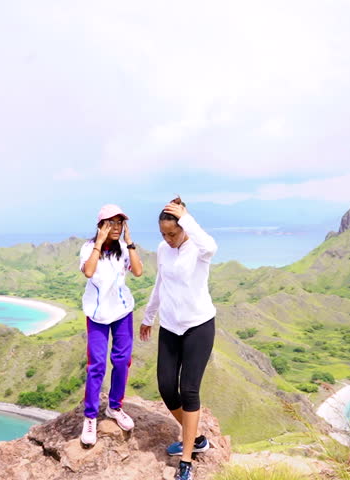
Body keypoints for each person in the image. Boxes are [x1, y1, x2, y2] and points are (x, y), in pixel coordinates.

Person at [141, 196, 217, 480]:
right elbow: (160, 283)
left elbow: (211, 245)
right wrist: (149, 316)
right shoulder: (163, 249)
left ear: (184, 226)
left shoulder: (199, 248)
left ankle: (187, 460)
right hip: (170, 326)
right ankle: (196, 437)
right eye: (163, 234)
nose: (169, 239)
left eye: (173, 233)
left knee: (189, 391)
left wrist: (186, 217)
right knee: (165, 387)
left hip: (199, 326)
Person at [78, 204, 143, 447]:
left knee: (122, 360)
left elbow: (137, 271)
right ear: (100, 225)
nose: (116, 227)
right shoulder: (88, 248)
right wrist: (99, 242)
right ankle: (90, 416)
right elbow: (88, 272)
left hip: (122, 311)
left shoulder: (124, 249)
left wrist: (130, 242)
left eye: (120, 222)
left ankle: (115, 407)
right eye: (111, 222)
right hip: (97, 314)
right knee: (97, 365)